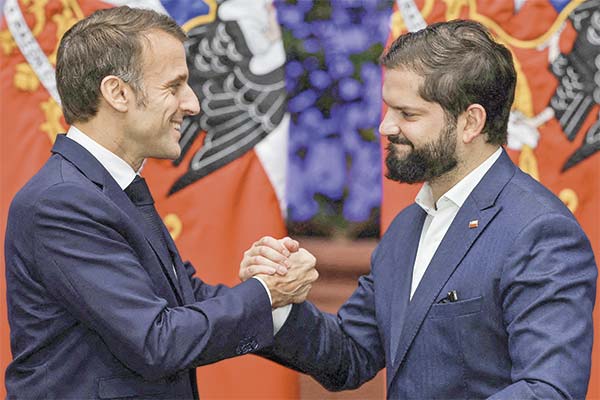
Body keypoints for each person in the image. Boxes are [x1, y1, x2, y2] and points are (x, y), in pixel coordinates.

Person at [244, 20, 598, 399]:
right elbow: (350, 354)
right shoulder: (410, 224)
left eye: (407, 114)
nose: (385, 127)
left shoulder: (541, 232)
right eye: (388, 109)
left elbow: (548, 391)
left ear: (470, 122)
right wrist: (277, 300)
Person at [3, 6, 317, 399]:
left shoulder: (110, 188)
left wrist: (283, 297)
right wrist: (267, 291)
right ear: (118, 92)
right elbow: (157, 342)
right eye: (174, 87)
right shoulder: (60, 203)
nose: (193, 105)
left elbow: (189, 300)